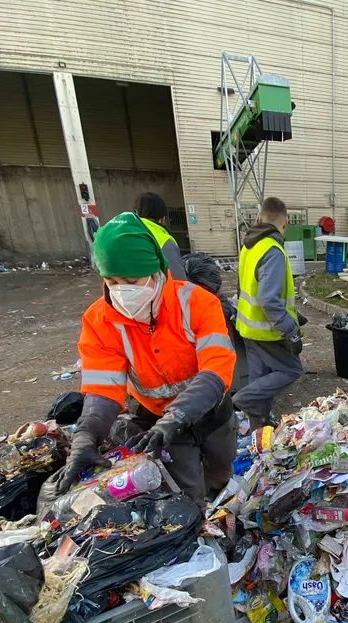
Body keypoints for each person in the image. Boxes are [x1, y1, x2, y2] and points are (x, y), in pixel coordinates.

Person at [56, 212, 236, 504]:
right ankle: (200, 529)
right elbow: (103, 388)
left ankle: (221, 508)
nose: (122, 291)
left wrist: (177, 415)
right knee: (187, 491)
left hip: (211, 411)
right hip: (157, 423)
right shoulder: (100, 321)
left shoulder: (197, 303)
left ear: (158, 272)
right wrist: (87, 436)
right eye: (112, 281)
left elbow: (216, 367)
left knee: (221, 471)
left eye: (132, 280)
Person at [232, 196, 303, 428]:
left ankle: (258, 426)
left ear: (261, 217)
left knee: (259, 378)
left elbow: (246, 287)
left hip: (247, 326)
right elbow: (268, 299)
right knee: (291, 369)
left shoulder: (249, 245)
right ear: (286, 222)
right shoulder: (273, 250)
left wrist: (292, 315)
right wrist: (290, 330)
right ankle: (242, 399)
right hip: (267, 330)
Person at [134, 192, 186, 281]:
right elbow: (178, 279)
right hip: (156, 292)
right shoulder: (163, 241)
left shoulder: (124, 235)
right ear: (162, 218)